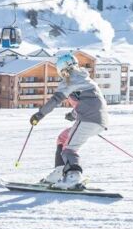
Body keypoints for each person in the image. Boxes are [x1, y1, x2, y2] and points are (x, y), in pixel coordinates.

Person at [30, 52, 109, 189]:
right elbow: (89, 101)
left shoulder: (70, 80)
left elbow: (55, 100)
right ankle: (59, 172)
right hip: (97, 120)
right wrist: (73, 115)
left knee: (69, 149)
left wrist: (39, 115)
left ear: (62, 70)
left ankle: (74, 176)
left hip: (88, 119)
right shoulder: (85, 79)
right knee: (63, 138)